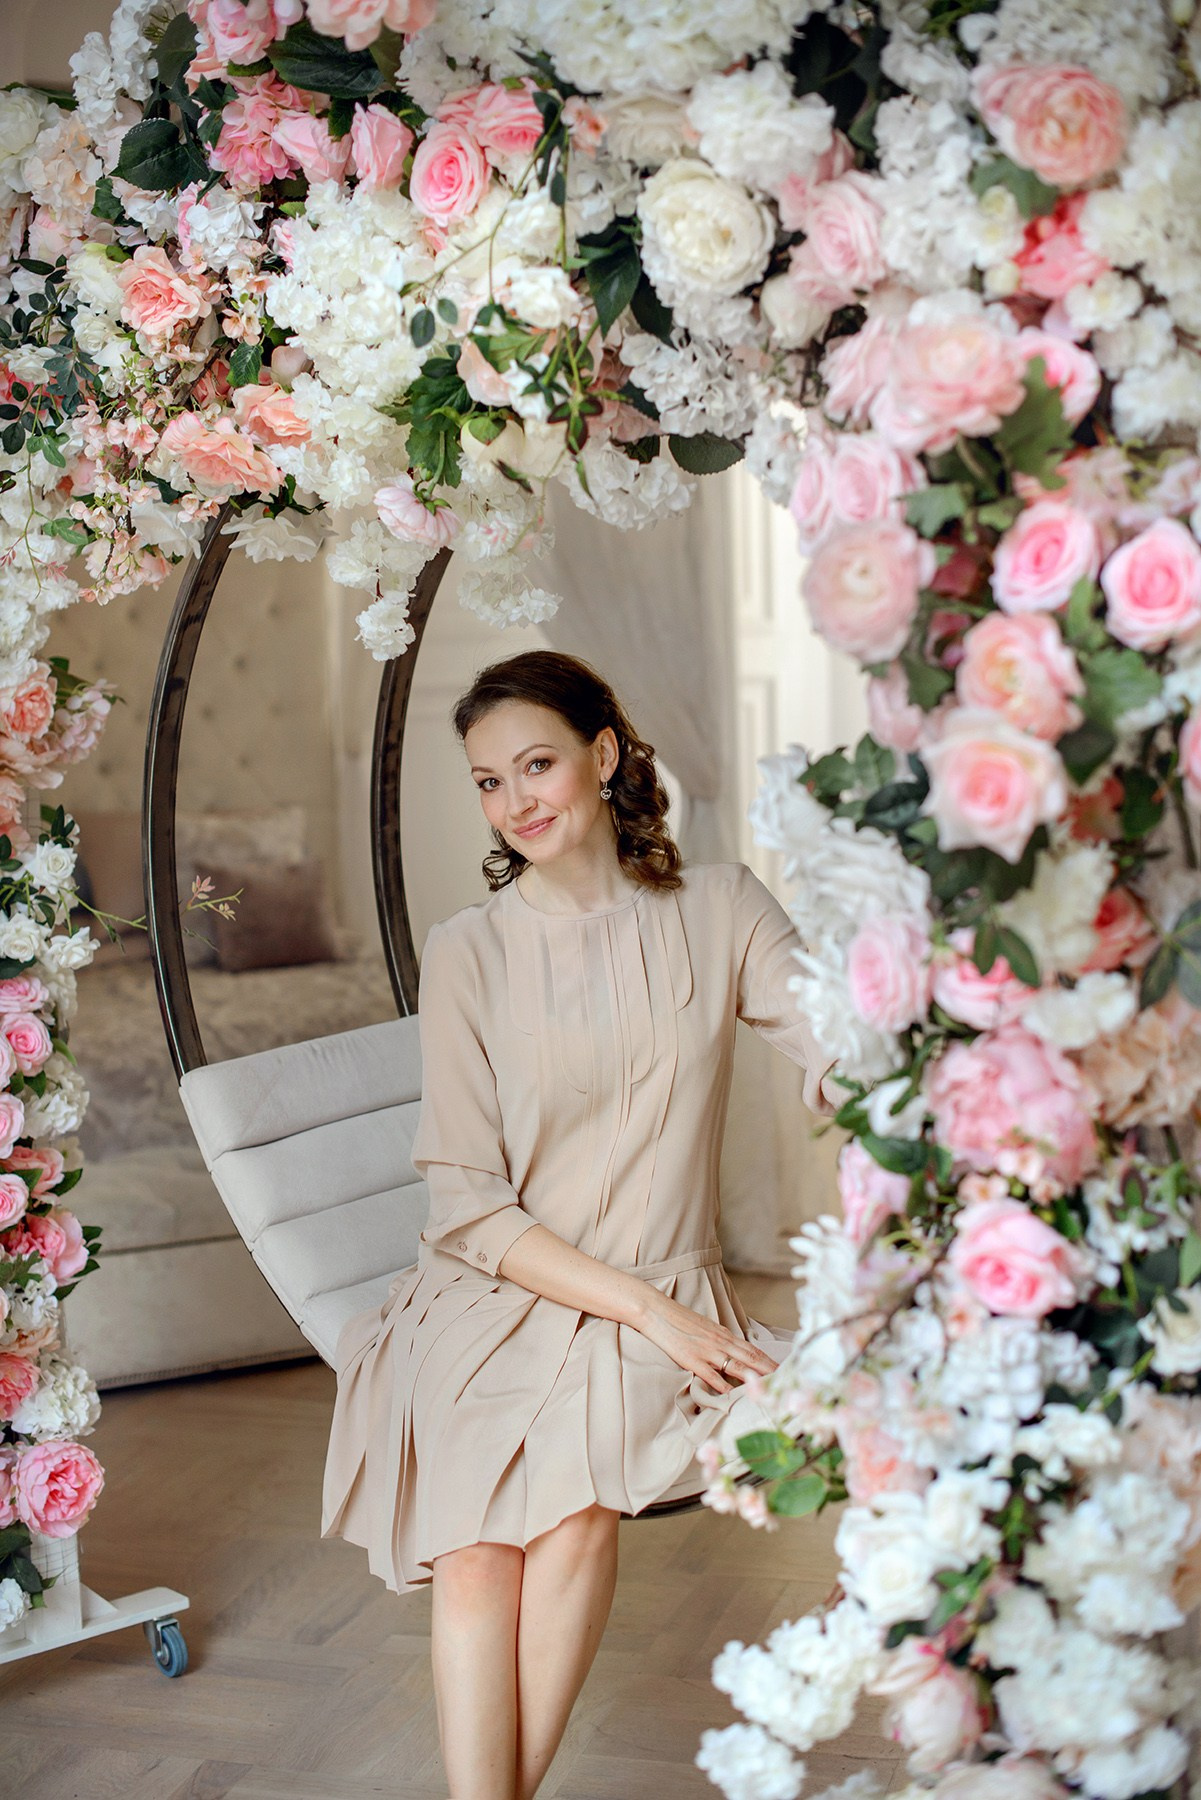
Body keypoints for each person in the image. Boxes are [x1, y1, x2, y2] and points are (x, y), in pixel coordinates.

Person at [321, 649, 834, 1800]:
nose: (516, 801)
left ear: (604, 757)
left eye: (537, 763)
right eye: (489, 781)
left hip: (655, 1294)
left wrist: (884, 1073)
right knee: (473, 1550)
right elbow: (464, 1199)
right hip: (499, 1291)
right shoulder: (470, 951)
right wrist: (648, 1312)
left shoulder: (722, 909)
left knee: (568, 1517)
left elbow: (840, 1037)